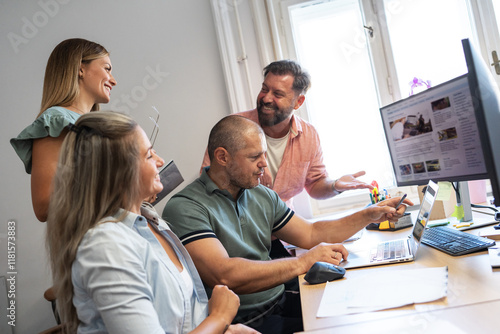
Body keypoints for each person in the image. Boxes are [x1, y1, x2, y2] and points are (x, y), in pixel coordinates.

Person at [164, 115, 412, 333]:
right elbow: (225, 274)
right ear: (222, 157)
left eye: (264, 153)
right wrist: (304, 261)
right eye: (254, 157)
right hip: (245, 322)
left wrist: (369, 214)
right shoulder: (185, 207)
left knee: (362, 312)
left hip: (281, 301)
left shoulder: (260, 194)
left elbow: (311, 233)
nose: (264, 163)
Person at [46, 112, 258, 334]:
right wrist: (220, 317)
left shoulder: (151, 220)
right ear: (120, 173)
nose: (160, 162)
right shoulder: (105, 245)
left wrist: (227, 330)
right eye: (149, 155)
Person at [201, 60, 373, 258]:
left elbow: (315, 185)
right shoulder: (232, 129)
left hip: (282, 237)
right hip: (237, 239)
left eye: (278, 94)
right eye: (264, 89)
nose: (266, 98)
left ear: (298, 102)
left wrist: (335, 185)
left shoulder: (309, 135)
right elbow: (210, 186)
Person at [10, 38, 117, 222]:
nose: (113, 81)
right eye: (107, 69)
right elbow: (44, 205)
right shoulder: (57, 121)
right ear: (80, 68)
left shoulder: (94, 126)